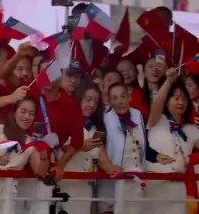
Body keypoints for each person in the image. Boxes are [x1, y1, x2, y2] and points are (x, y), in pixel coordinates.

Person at [19, 59, 84, 214]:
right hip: (22, 164)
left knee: (42, 209)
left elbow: (77, 141)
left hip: (50, 168)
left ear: (61, 75)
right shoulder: (27, 94)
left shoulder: (71, 104)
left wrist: (60, 164)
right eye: (44, 73)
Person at [0, 97, 51, 214]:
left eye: (31, 114)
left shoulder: (30, 143)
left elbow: (40, 172)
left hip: (8, 194)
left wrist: (43, 153)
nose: (27, 117)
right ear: (14, 112)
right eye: (23, 111)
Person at [59, 80, 122, 214]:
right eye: (88, 99)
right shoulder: (64, 120)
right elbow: (58, 146)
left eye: (96, 101)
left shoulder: (96, 128)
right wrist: (79, 146)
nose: (91, 105)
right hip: (66, 186)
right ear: (79, 98)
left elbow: (104, 161)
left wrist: (121, 170)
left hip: (86, 190)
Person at [146, 69, 199, 214]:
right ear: (167, 100)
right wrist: (169, 81)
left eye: (183, 98)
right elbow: (158, 102)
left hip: (179, 188)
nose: (180, 102)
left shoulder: (191, 129)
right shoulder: (157, 121)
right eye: (176, 98)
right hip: (156, 186)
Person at [99, 82, 147, 214]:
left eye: (123, 96)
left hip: (137, 184)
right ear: (109, 101)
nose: (120, 101)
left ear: (129, 97)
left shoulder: (138, 115)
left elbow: (144, 147)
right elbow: (97, 147)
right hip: (114, 184)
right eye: (114, 98)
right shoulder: (104, 119)